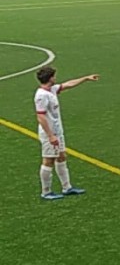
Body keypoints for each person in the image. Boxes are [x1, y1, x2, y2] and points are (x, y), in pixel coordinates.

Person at [35, 66, 99, 200]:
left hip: (57, 131)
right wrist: (50, 135)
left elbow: (68, 84)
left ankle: (67, 187)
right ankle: (46, 191)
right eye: (54, 76)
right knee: (48, 160)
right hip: (50, 133)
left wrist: (85, 78)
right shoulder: (41, 95)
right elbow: (40, 117)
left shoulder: (51, 90)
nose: (56, 78)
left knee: (61, 156)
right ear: (50, 78)